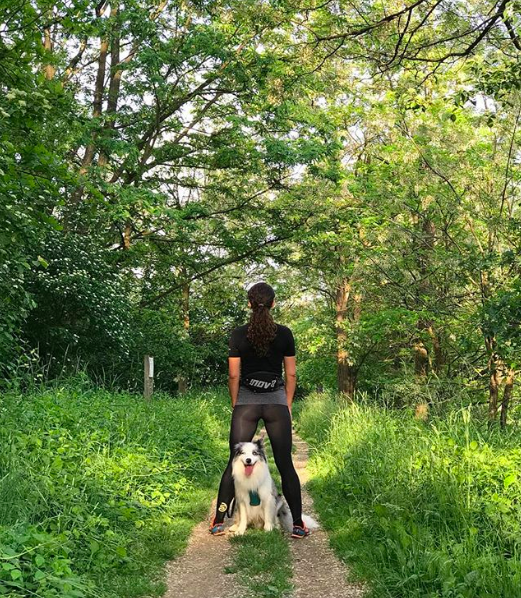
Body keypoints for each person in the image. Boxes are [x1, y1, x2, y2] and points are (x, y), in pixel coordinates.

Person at [209, 281, 309, 538]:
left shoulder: (238, 334)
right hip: (275, 400)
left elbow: (233, 375)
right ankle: (298, 524)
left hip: (247, 401)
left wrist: (236, 402)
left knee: (233, 461)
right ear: (274, 303)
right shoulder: (285, 334)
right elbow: (292, 373)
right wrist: (286, 404)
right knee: (285, 463)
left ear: (249, 304)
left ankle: (219, 520)